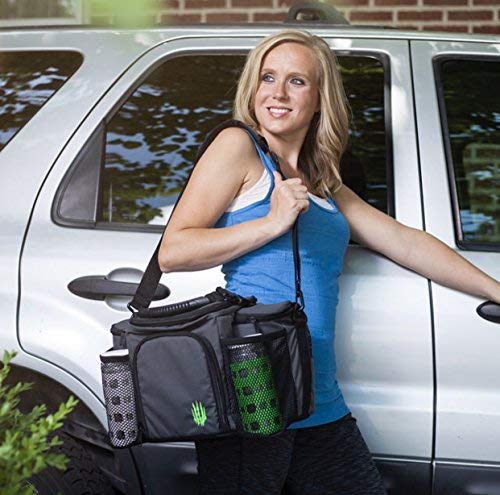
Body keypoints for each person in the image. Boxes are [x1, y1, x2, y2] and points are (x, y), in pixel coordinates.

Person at [158, 29, 500, 495]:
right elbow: (173, 251)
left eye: (296, 81)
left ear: (320, 99)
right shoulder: (238, 148)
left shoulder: (323, 179)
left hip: (317, 395)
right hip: (254, 381)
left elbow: (405, 242)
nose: (277, 93)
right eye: (267, 78)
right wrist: (270, 222)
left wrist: (495, 289)